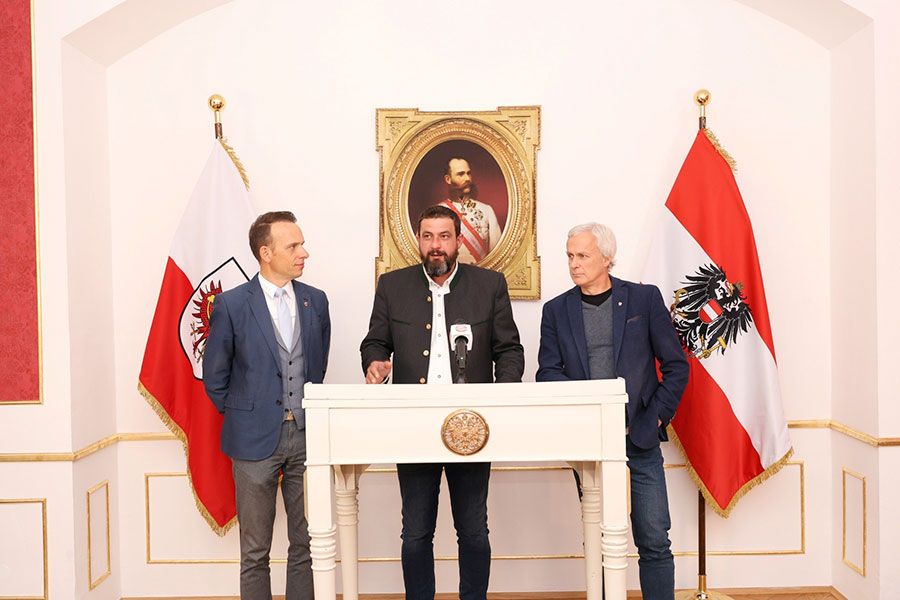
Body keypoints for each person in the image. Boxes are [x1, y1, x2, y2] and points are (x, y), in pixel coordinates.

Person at [360, 204, 524, 600]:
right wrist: (375, 363)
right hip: (413, 425)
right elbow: (375, 342)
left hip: (471, 424)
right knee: (416, 531)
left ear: (458, 241)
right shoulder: (392, 286)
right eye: (428, 236)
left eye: (444, 236)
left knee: (473, 529)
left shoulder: (489, 285)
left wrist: (500, 400)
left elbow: (509, 350)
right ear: (418, 240)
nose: (436, 245)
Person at [536, 222, 688, 600]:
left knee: (654, 538)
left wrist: (655, 418)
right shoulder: (556, 311)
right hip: (589, 446)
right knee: (600, 539)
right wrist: (587, 410)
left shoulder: (643, 299)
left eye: (583, 256)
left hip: (640, 440)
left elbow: (676, 366)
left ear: (606, 258)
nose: (574, 264)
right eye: (570, 256)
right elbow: (547, 373)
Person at [203, 211, 330, 600]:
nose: (303, 253)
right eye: (293, 246)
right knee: (255, 549)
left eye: (302, 244)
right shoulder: (231, 305)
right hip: (252, 440)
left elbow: (317, 364)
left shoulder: (315, 301)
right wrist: (248, 414)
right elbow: (215, 377)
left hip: (307, 437)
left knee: (306, 542)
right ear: (266, 252)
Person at [440, 157, 502, 263]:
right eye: (461, 174)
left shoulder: (486, 210)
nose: (467, 178)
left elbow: (497, 255)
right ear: (448, 179)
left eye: (468, 173)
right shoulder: (437, 212)